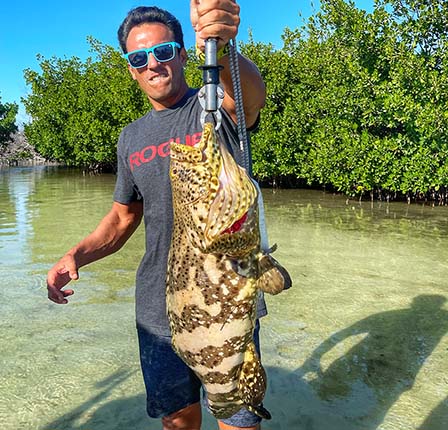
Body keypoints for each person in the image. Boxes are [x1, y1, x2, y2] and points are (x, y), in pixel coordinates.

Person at [46, 1, 267, 429]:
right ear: (130, 69)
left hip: (227, 296)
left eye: (164, 52)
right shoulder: (130, 138)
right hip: (156, 311)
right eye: (139, 58)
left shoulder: (211, 108)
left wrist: (220, 49)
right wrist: (76, 255)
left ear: (183, 55)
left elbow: (249, 98)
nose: (153, 64)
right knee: (178, 420)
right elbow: (122, 219)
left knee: (237, 420)